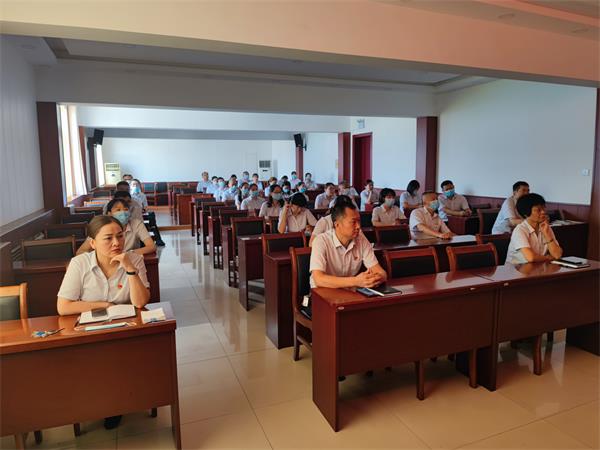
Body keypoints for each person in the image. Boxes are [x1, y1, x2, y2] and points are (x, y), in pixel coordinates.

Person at [57, 215, 150, 429]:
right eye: (108, 238)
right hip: (90, 331)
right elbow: (64, 306)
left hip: (126, 330)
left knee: (121, 357)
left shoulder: (134, 259)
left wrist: (129, 267)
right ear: (92, 243)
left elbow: (140, 302)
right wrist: (105, 305)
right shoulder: (80, 263)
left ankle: (118, 403)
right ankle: (101, 403)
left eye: (120, 236)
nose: (116, 243)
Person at [310, 201, 387, 290]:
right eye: (353, 222)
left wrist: (374, 279)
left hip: (348, 291)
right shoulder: (321, 241)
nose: (358, 226)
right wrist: (356, 281)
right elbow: (318, 279)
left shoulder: (361, 239)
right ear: (337, 224)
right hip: (322, 290)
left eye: (359, 221)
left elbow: (381, 273)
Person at [77, 199, 156, 255]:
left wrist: (128, 254)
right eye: (118, 210)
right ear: (109, 213)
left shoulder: (136, 224)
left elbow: (151, 246)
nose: (123, 212)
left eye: (126, 209)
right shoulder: (101, 226)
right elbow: (81, 251)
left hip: (129, 260)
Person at [506, 193, 562, 264]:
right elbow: (531, 258)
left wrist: (546, 234)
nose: (543, 212)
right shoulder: (520, 230)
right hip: (516, 268)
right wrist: (548, 258)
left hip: (538, 266)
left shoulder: (545, 227)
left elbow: (557, 254)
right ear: (526, 213)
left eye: (544, 208)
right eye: (538, 210)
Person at [130, 179, 166, 247]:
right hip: (133, 215)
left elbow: (146, 207)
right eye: (133, 185)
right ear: (130, 186)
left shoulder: (142, 195)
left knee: (151, 216)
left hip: (141, 213)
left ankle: (158, 239)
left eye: (137, 184)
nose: (135, 186)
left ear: (139, 186)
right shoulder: (129, 196)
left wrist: (143, 210)